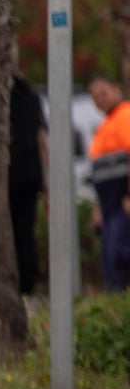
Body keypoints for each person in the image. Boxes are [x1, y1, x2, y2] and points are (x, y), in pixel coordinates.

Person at [8, 73, 47, 297]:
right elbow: (42, 137)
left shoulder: (5, 97)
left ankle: (18, 283)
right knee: (25, 233)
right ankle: (26, 286)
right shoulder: (32, 97)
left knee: (13, 232)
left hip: (12, 171)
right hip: (31, 173)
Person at [89, 78, 130, 292]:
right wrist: (98, 207)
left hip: (122, 201)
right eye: (94, 96)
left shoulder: (125, 115)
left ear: (117, 89)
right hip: (108, 204)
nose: (99, 99)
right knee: (110, 261)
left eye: (103, 92)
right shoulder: (104, 125)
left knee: (121, 256)